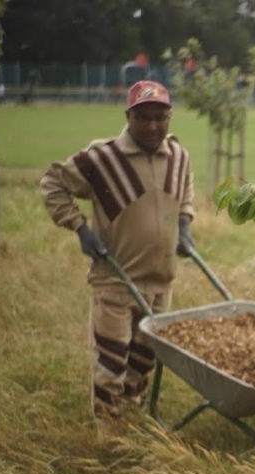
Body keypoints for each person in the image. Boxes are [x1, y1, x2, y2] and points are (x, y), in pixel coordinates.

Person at [40, 80, 196, 423]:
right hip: (115, 280)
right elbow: (53, 185)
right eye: (144, 117)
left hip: (161, 283)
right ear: (129, 116)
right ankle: (108, 438)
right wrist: (80, 228)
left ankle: (133, 424)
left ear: (170, 116)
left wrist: (184, 226)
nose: (153, 125)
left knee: (143, 361)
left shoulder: (178, 155)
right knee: (112, 361)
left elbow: (185, 191)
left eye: (161, 116)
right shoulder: (103, 157)